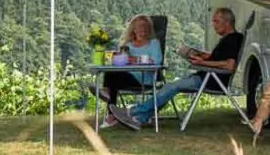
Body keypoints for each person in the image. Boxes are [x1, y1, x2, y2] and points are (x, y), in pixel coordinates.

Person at [111, 7, 243, 131]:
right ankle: (139, 119)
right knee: (168, 90)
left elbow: (230, 65)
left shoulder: (232, 39)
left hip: (211, 79)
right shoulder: (227, 39)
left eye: (216, 21)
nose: (213, 25)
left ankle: (131, 111)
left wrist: (203, 63)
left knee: (170, 88)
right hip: (207, 76)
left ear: (227, 22)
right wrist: (199, 55)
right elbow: (219, 58)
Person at [88, 14, 163, 128]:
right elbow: (122, 62)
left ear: (149, 28)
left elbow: (157, 61)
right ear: (134, 29)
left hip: (144, 80)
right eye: (140, 26)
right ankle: (110, 109)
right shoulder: (127, 46)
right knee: (113, 74)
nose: (143, 29)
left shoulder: (154, 43)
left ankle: (108, 102)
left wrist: (135, 59)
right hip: (125, 78)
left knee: (113, 79)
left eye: (145, 26)